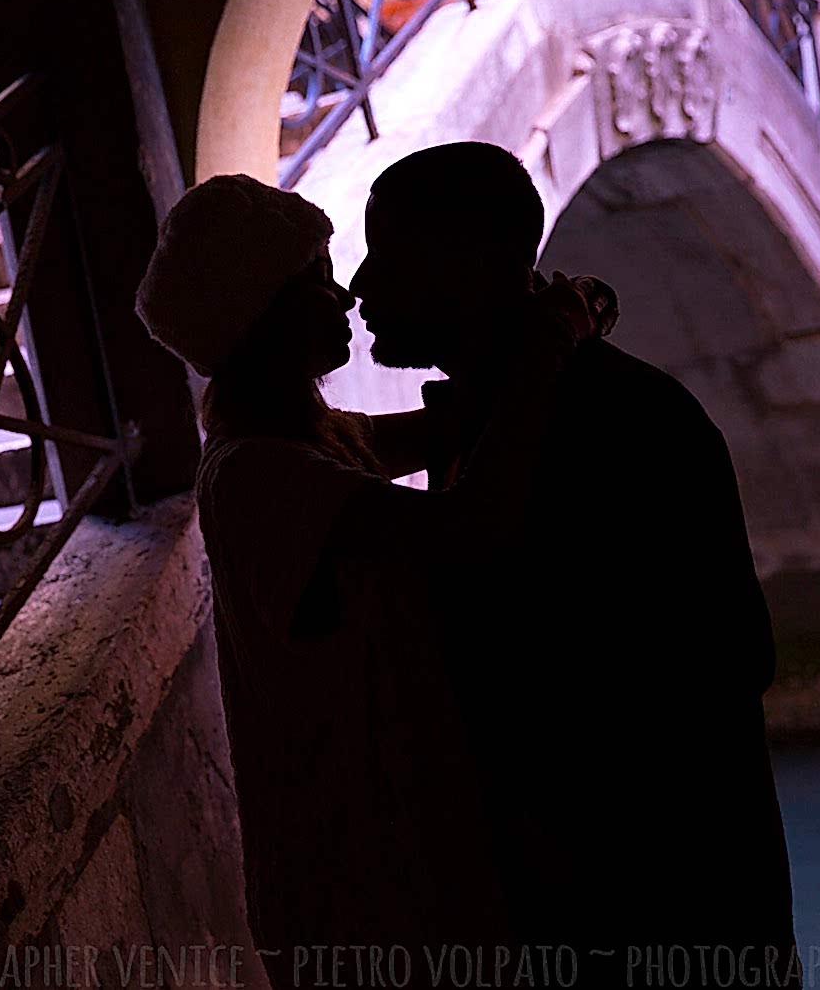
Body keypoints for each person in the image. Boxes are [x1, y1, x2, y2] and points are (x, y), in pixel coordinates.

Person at [135, 174, 617, 986]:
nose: (348, 294)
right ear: (268, 317)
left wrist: (558, 324)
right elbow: (470, 528)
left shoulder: (308, 442)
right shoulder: (260, 476)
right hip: (359, 894)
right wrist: (545, 343)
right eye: (318, 280)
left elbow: (450, 428)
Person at [351, 141, 799, 984]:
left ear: (472, 261)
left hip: (653, 917)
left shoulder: (627, 425)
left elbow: (720, 663)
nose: (360, 286)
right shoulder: (504, 423)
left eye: (388, 255)